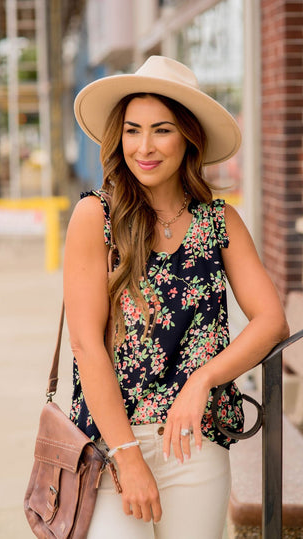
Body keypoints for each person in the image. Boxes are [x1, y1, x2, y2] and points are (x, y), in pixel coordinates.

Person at [63, 56, 289, 539]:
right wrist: (128, 458)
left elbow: (272, 320)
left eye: (161, 130)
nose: (143, 147)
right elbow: (86, 347)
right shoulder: (94, 216)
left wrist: (202, 380)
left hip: (196, 445)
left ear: (188, 137)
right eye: (132, 130)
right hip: (109, 445)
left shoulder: (218, 222)